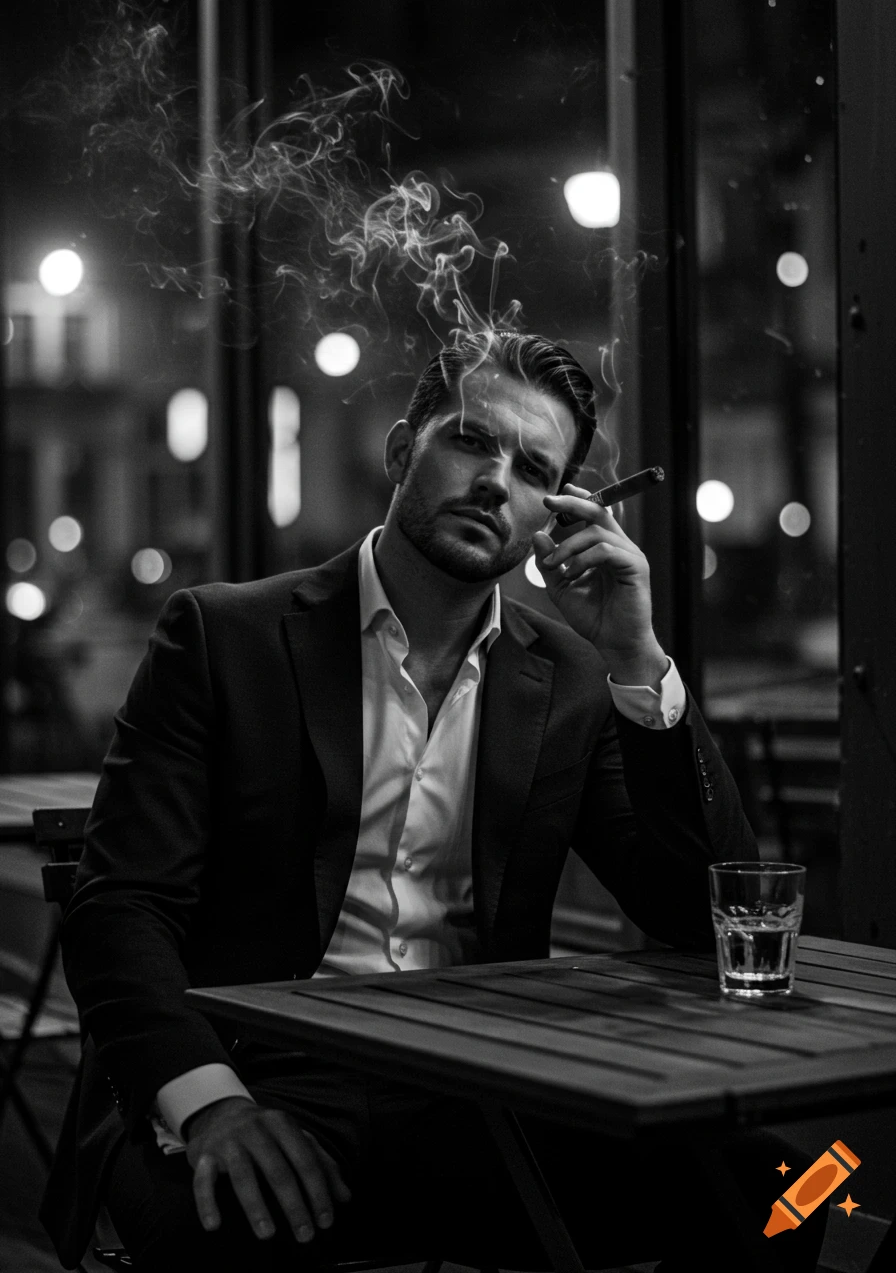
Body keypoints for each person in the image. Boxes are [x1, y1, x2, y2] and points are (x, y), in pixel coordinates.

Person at [41, 331, 826, 1272]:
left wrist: (637, 656)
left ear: (556, 515)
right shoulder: (223, 636)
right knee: (233, 1234)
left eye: (534, 470)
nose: (496, 482)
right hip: (257, 1070)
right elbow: (120, 907)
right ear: (400, 450)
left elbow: (697, 910)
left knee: (804, 1189)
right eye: (471, 441)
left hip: (476, 1090)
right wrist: (210, 1105)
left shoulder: (574, 677)